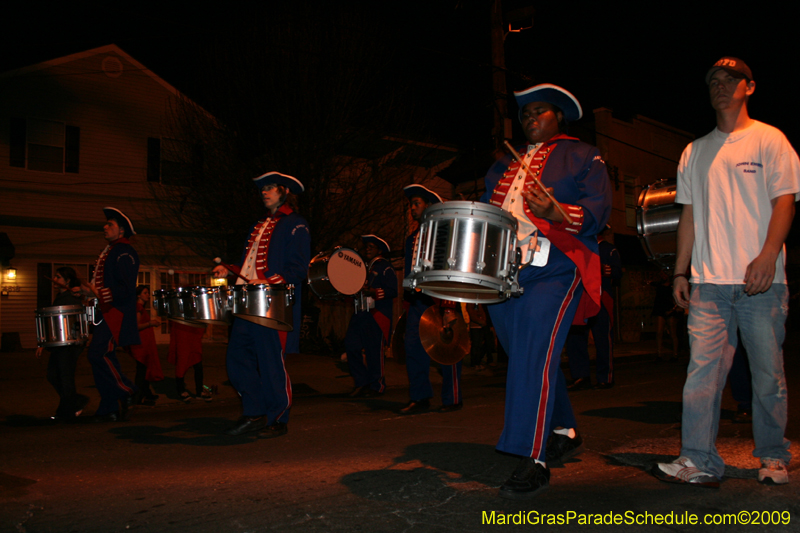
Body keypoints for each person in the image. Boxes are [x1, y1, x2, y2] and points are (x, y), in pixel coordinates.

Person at [653, 57, 799, 487]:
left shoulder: (770, 140)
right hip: (709, 283)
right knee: (701, 375)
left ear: (749, 87)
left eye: (730, 79)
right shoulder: (694, 151)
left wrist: (768, 255)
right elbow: (689, 218)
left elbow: (785, 203)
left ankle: (773, 456)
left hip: (761, 283)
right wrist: (680, 272)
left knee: (767, 375)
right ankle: (698, 459)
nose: (721, 85)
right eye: (714, 80)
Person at [480, 84, 611, 499]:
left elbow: (597, 210)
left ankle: (530, 456)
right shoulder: (501, 163)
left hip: (556, 265)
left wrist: (559, 212)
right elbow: (485, 213)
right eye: (524, 114)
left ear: (559, 116)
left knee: (533, 352)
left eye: (540, 111)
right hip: (504, 270)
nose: (530, 118)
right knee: (527, 355)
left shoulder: (583, 154)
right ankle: (564, 429)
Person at [212, 172, 310, 437]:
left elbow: (298, 269)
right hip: (247, 301)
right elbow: (250, 266)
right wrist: (230, 269)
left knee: (271, 363)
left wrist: (268, 282)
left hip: (272, 302)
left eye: (269, 188)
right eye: (262, 189)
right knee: (236, 358)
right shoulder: (258, 225)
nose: (263, 193)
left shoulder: (296, 224)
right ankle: (254, 412)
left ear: (284, 191)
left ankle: (278, 417)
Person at [401, 184, 463, 414]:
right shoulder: (411, 239)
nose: (412, 209)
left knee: (448, 348)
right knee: (413, 347)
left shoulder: (444, 233)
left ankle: (453, 398)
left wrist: (449, 305)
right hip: (417, 301)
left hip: (440, 297)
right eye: (411, 205)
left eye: (416, 204)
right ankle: (420, 397)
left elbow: (451, 268)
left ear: (429, 206)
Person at [83, 207, 140, 422]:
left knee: (99, 354)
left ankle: (128, 390)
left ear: (122, 230)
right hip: (106, 310)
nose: (104, 227)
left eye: (110, 225)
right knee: (102, 357)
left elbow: (125, 288)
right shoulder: (112, 250)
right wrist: (88, 291)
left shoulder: (124, 252)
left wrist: (102, 293)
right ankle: (109, 408)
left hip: (116, 313)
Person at [566, 224, 622, 389]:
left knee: (603, 337)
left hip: (600, 297)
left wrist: (604, 270)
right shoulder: (577, 247)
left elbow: (617, 272)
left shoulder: (608, 250)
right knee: (575, 338)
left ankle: (605, 377)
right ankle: (580, 376)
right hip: (579, 298)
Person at [345, 235, 398, 397]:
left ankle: (377, 385)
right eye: (366, 246)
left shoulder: (385, 267)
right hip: (360, 313)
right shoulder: (362, 267)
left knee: (374, 351)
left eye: (371, 247)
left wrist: (373, 292)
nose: (367, 249)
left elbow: (392, 291)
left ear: (379, 250)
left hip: (376, 314)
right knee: (351, 346)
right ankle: (362, 382)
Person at [35, 267, 90, 421]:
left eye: (59, 277)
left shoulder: (70, 298)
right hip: (59, 344)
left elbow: (73, 322)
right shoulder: (61, 297)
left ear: (68, 281)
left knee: (64, 377)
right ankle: (74, 403)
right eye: (55, 276)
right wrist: (43, 343)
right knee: (54, 375)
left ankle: (67, 411)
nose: (55, 279)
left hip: (69, 345)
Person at [128, 285, 163, 405]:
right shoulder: (138, 307)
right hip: (141, 344)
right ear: (138, 295)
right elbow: (135, 327)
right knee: (141, 370)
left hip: (144, 342)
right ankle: (138, 397)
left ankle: (146, 393)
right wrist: (150, 323)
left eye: (148, 293)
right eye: (145, 293)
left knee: (144, 369)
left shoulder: (140, 307)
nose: (148, 295)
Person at [168, 320, 210, 402]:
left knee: (197, 362)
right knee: (182, 361)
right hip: (182, 329)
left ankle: (199, 391)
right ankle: (181, 390)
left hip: (193, 330)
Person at [650, 269, 681, 362]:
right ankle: (659, 354)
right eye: (661, 274)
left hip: (670, 310)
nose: (663, 276)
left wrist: (672, 309)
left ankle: (675, 355)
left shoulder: (672, 286)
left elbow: (676, 299)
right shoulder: (659, 285)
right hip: (660, 309)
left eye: (664, 274)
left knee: (672, 333)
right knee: (659, 332)